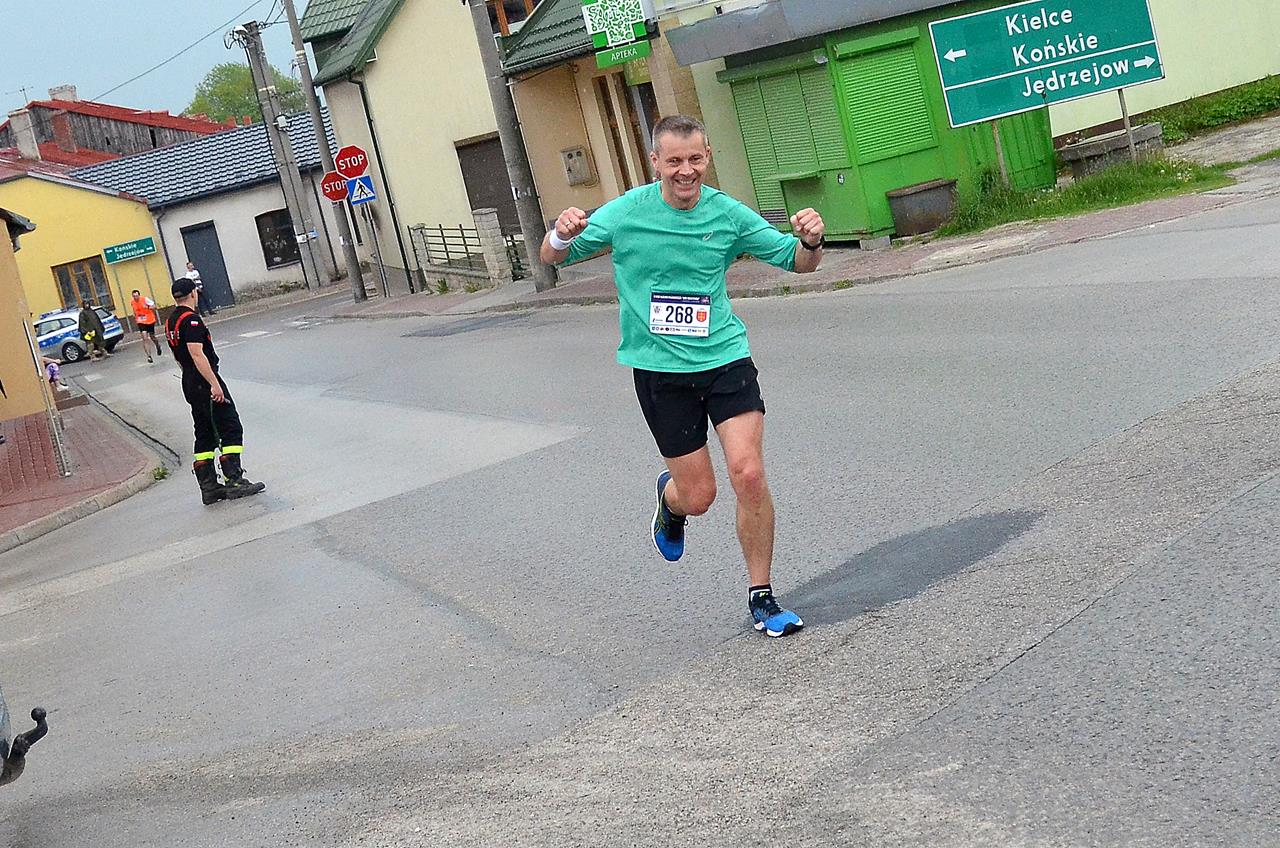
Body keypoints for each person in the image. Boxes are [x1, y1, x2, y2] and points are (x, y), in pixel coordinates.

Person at [540, 114, 826, 638]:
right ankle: (670, 501)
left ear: (707, 157)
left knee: (749, 473)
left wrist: (810, 241)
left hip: (725, 358)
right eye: (674, 161)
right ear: (656, 162)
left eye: (695, 159)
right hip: (660, 372)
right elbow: (552, 256)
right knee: (699, 497)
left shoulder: (727, 214)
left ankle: (762, 596)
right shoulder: (627, 212)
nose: (686, 170)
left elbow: (796, 261)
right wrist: (561, 233)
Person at [165, 277, 265, 505]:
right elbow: (196, 353)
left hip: (189, 380)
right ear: (193, 294)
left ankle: (209, 487)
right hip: (203, 379)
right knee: (229, 425)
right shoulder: (191, 320)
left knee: (204, 431)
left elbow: (178, 356)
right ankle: (234, 481)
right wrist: (214, 383)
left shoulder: (171, 321)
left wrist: (190, 377)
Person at [130, 289, 163, 363]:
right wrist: (135, 315)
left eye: (137, 296)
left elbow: (154, 306)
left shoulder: (145, 299)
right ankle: (149, 356)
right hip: (141, 321)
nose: (136, 298)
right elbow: (135, 310)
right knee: (145, 338)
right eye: (134, 296)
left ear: (139, 295)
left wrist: (147, 307)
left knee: (152, 337)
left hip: (150, 320)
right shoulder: (132, 302)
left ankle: (157, 345)